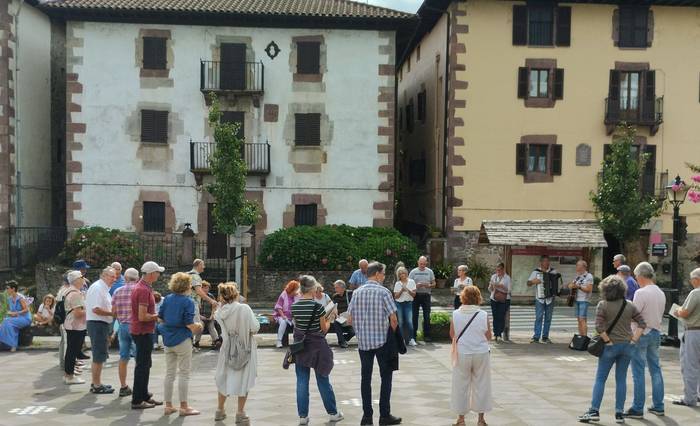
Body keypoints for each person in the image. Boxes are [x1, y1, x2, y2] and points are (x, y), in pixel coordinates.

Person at [578, 275, 646, 424]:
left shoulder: (603, 305)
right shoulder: (629, 305)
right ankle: (619, 413)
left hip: (610, 346)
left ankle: (594, 410)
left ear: (605, 289)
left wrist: (607, 340)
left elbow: (598, 326)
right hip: (627, 346)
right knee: (621, 379)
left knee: (601, 378)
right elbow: (642, 323)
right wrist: (634, 339)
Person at [348, 262, 401, 426]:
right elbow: (393, 319)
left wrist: (360, 330)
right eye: (384, 274)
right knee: (386, 376)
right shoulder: (384, 292)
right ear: (377, 274)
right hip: (382, 341)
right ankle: (384, 415)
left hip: (364, 342)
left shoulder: (356, 293)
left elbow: (349, 319)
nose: (384, 277)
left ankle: (367, 417)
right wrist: (393, 335)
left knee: (366, 379)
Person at [291, 275, 343, 425]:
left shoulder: (294, 306)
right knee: (323, 379)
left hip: (300, 347)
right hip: (317, 347)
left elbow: (297, 326)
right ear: (313, 288)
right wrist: (330, 317)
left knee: (301, 381)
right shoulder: (318, 307)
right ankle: (333, 413)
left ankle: (303, 416)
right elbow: (323, 329)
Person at [625, 262, 666, 419]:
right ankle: (658, 405)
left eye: (636, 277)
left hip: (641, 334)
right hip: (655, 332)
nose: (636, 279)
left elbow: (634, 314)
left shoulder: (641, 293)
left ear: (641, 276)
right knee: (655, 369)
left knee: (638, 371)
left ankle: (637, 407)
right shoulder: (660, 292)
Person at [159, 272, 203, 417]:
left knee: (169, 373)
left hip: (168, 339)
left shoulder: (167, 299)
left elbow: (160, 318)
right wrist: (199, 326)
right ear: (187, 286)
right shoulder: (188, 301)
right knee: (184, 373)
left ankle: (168, 405)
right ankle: (184, 406)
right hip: (182, 339)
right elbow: (189, 324)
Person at [215, 282, 260, 423]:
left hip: (227, 348)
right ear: (236, 294)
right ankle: (240, 413)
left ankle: (220, 410)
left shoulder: (219, 312)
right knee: (244, 380)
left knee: (223, 378)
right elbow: (255, 327)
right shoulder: (244, 309)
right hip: (244, 347)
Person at [450, 286, 493, 426]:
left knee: (460, 385)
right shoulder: (483, 314)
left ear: (463, 297)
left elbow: (452, 335)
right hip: (481, 352)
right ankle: (481, 419)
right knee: (482, 384)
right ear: (478, 297)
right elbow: (489, 336)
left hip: (462, 353)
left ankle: (461, 419)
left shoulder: (455, 314)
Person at [130, 261, 164, 409]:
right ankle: (137, 399)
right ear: (151, 274)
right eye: (157, 272)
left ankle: (144, 395)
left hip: (142, 331)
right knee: (142, 366)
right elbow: (142, 316)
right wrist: (158, 316)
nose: (159, 275)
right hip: (142, 331)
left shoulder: (144, 287)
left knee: (145, 364)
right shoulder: (143, 290)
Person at [85, 267, 116, 394]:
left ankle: (96, 383)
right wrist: (113, 314)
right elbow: (96, 309)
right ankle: (96, 385)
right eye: (111, 276)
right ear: (103, 275)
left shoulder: (102, 288)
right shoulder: (98, 287)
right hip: (97, 324)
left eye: (115, 277)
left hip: (100, 324)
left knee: (100, 355)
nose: (114, 279)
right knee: (98, 356)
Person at [673, 267, 700, 407]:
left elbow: (685, 312)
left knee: (690, 365)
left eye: (692, 279)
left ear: (696, 279)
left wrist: (677, 310)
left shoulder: (696, 292)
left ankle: (690, 397)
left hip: (694, 331)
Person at [111, 267, 139, 397]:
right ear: (137, 278)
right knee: (140, 359)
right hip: (136, 326)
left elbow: (114, 312)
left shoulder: (117, 291)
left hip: (122, 326)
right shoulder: (140, 290)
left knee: (123, 357)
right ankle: (139, 386)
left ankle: (123, 386)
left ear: (125, 278)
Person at [62, 271, 87, 385]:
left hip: (71, 324)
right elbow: (78, 313)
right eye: (82, 277)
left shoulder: (69, 290)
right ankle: (69, 376)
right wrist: (90, 310)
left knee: (71, 350)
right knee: (72, 351)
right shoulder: (75, 293)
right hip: (75, 325)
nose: (84, 279)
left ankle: (68, 375)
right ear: (77, 280)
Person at [527, 255, 557, 344]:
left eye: (548, 261)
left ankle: (545, 337)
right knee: (539, 317)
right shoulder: (536, 272)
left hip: (550, 299)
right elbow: (528, 283)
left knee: (548, 318)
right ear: (541, 262)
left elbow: (556, 283)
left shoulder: (553, 272)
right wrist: (533, 281)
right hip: (539, 299)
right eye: (545, 261)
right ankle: (536, 337)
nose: (547, 263)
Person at [0, 281, 32, 351]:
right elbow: (12, 311)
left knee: (6, 321)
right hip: (16, 318)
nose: (6, 290)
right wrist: (10, 313)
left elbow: (26, 309)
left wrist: (16, 313)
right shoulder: (10, 298)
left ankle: (11, 345)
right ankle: (10, 345)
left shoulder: (20, 298)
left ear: (13, 289)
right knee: (5, 324)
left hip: (25, 318)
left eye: (8, 288)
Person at [409, 256, 435, 342]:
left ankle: (427, 335)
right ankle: (413, 335)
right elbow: (408, 285)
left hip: (426, 295)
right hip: (415, 295)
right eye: (421, 264)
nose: (422, 265)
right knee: (414, 316)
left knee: (427, 316)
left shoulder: (430, 271)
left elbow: (434, 283)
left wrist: (429, 285)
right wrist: (416, 286)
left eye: (424, 264)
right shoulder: (413, 272)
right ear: (418, 262)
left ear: (426, 263)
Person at [188, 259, 217, 336]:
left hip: (185, 302)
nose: (204, 267)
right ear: (199, 265)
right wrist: (211, 301)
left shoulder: (186, 274)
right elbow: (199, 291)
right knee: (195, 326)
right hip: (192, 304)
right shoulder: (195, 276)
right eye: (203, 265)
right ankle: (190, 345)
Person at [393, 266, 417, 347]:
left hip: (408, 303)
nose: (402, 275)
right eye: (400, 274)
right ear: (399, 275)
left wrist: (407, 290)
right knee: (401, 322)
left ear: (406, 273)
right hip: (399, 304)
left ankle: (411, 339)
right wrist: (401, 290)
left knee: (409, 322)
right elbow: (396, 297)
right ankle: (401, 339)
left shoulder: (412, 282)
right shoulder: (397, 283)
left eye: (403, 273)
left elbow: (414, 295)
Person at [569, 260, 594, 337]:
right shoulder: (577, 276)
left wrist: (578, 287)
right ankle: (580, 336)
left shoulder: (589, 276)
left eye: (578, 265)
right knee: (579, 320)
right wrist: (570, 286)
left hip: (584, 300)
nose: (576, 267)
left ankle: (584, 338)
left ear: (583, 267)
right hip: (576, 300)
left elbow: (589, 289)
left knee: (582, 319)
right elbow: (571, 285)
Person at [488, 262, 512, 342]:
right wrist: (491, 286)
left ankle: (499, 334)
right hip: (494, 298)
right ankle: (496, 334)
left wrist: (502, 287)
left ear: (503, 269)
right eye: (497, 270)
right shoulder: (493, 276)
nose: (498, 272)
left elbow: (509, 291)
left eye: (500, 270)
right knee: (495, 316)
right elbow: (490, 289)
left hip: (504, 299)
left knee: (501, 316)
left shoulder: (507, 278)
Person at [273, 280, 300, 348]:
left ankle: (296, 342)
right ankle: (279, 341)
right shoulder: (283, 294)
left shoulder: (298, 295)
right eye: (297, 289)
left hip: (293, 316)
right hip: (281, 315)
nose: (298, 290)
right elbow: (278, 307)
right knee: (283, 322)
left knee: (297, 323)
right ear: (292, 289)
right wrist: (283, 316)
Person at [195, 281, 220, 349]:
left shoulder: (210, 296)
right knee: (200, 326)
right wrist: (200, 316)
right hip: (200, 317)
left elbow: (214, 307)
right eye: (204, 288)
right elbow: (195, 309)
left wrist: (211, 316)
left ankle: (216, 341)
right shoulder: (197, 297)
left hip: (209, 317)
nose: (206, 289)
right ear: (201, 288)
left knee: (211, 327)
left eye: (207, 288)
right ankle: (196, 342)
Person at [331, 280, 355, 348]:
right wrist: (335, 313)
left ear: (343, 288)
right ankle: (342, 342)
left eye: (337, 288)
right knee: (336, 322)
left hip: (350, 317)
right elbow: (334, 307)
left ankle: (343, 339)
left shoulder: (350, 294)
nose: (335, 289)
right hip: (340, 318)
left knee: (353, 332)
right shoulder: (335, 296)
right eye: (335, 288)